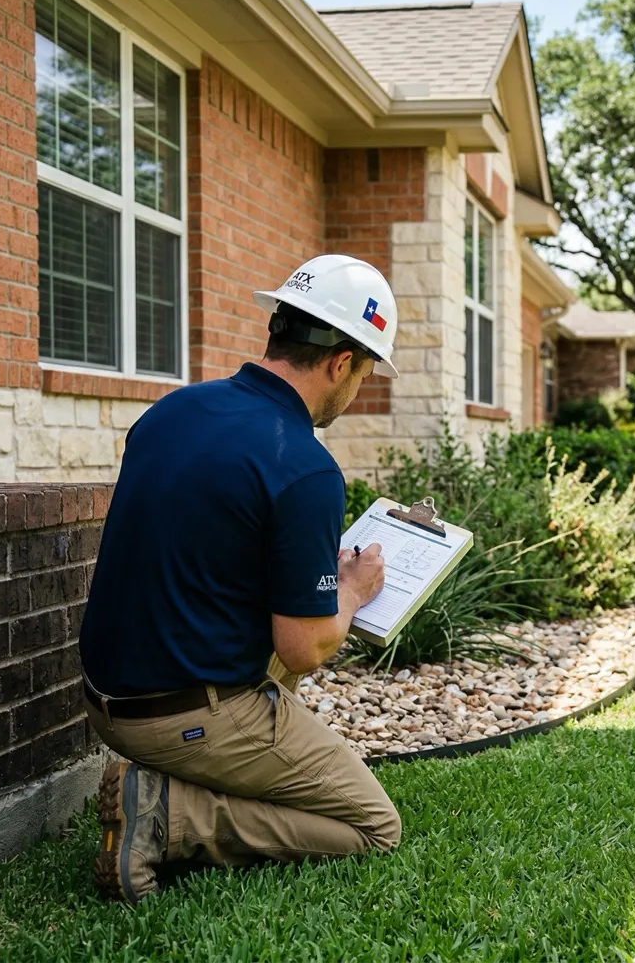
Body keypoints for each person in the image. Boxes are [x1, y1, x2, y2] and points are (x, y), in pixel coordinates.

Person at [78, 254, 401, 903]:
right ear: (340, 363)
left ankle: (205, 776)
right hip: (178, 715)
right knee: (374, 825)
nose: (358, 388)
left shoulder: (171, 413)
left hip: (108, 695)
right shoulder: (305, 466)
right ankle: (169, 814)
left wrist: (313, 575)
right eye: (365, 372)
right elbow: (302, 649)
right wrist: (354, 591)